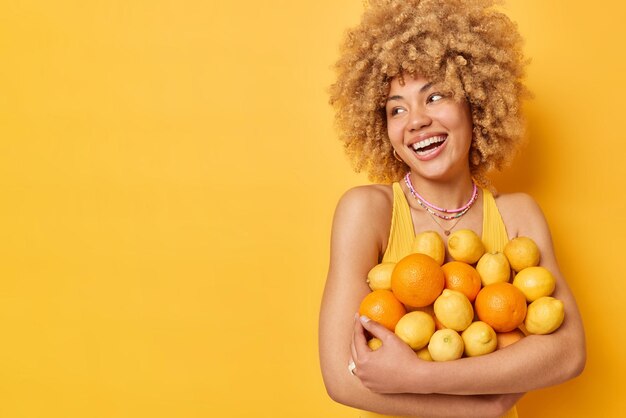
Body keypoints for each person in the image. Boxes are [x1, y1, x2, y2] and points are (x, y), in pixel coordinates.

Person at [318, 1, 586, 417]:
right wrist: (480, 409)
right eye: (397, 108)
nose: (416, 121)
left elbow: (568, 353)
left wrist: (417, 377)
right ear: (386, 132)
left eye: (435, 96)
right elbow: (341, 376)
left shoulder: (518, 215)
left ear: (474, 107)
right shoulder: (368, 211)